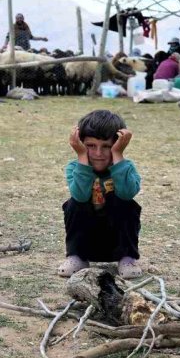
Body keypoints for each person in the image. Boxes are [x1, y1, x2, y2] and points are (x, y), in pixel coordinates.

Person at [59, 109, 143, 279]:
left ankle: (127, 259)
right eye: (90, 146)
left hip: (117, 242)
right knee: (74, 203)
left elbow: (127, 193)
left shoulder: (126, 168)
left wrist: (118, 155)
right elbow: (81, 195)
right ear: (80, 143)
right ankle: (77, 257)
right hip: (87, 241)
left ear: (118, 144)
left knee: (127, 204)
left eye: (107, 146)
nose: (98, 153)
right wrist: (82, 155)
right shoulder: (74, 168)